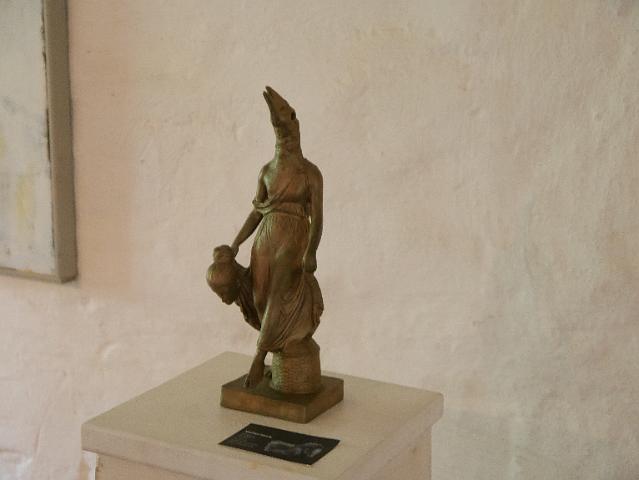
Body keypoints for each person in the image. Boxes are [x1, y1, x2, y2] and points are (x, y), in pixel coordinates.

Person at [229, 86, 324, 388]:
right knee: (260, 298)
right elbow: (257, 212)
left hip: (293, 238)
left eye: (286, 125)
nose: (283, 136)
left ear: (295, 125)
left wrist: (311, 251)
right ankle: (275, 344)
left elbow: (318, 218)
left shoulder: (310, 173)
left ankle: (259, 356)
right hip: (265, 241)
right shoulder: (267, 171)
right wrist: (237, 242)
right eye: (278, 130)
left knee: (279, 294)